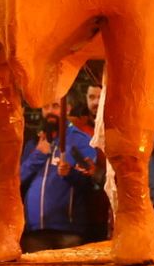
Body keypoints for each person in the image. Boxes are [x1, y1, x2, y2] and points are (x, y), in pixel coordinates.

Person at [19, 105, 97, 251]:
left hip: (67, 232)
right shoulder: (33, 142)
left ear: (67, 108)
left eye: (55, 106)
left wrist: (70, 174)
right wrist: (38, 155)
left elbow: (90, 181)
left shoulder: (81, 140)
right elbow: (18, 178)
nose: (49, 111)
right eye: (46, 107)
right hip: (34, 231)